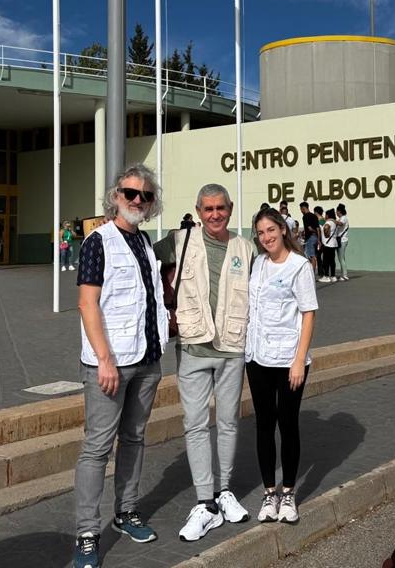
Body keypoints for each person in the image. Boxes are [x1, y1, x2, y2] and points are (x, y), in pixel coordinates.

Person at [73, 165, 168, 568]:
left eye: (144, 196)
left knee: (134, 439)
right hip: (109, 365)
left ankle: (126, 511)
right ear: (115, 196)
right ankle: (87, 534)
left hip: (147, 359)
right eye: (130, 193)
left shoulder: (145, 242)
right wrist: (105, 360)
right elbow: (87, 303)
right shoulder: (99, 242)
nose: (136, 201)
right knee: (97, 449)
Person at [154, 183, 253, 542]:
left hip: (231, 349)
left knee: (228, 423)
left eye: (220, 208)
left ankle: (225, 491)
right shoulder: (178, 241)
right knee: (195, 425)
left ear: (230, 209)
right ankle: (204, 501)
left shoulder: (245, 248)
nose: (214, 215)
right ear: (198, 211)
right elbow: (143, 262)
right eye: (208, 209)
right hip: (194, 348)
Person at [246, 207, 317, 524]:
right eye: (261, 233)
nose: (266, 237)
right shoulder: (258, 264)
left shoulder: (299, 266)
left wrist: (299, 360)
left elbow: (308, 313)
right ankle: (268, 494)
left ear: (283, 230)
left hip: (289, 360)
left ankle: (288, 493)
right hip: (257, 357)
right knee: (263, 425)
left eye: (271, 231)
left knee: (287, 425)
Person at [318, 209, 339, 284]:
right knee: (332, 261)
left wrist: (326, 234)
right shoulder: (335, 222)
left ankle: (326, 276)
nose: (325, 216)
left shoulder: (328, 222)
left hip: (327, 244)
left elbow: (326, 227)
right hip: (333, 244)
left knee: (326, 261)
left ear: (328, 215)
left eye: (326, 215)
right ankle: (333, 276)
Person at [298, 202, 318, 277]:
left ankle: (312, 274)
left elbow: (309, 228)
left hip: (310, 238)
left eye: (301, 209)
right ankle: (311, 272)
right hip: (315, 237)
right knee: (312, 255)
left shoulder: (305, 216)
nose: (301, 211)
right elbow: (317, 228)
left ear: (303, 208)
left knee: (311, 256)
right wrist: (318, 238)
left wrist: (309, 232)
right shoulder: (314, 216)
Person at [335, 204, 350, 281]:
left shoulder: (343, 218)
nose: (336, 213)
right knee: (341, 258)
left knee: (341, 258)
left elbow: (340, 224)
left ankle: (345, 275)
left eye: (336, 211)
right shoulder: (341, 218)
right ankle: (343, 274)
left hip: (343, 240)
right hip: (340, 240)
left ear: (339, 211)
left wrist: (332, 220)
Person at [313, 207, 326, 278]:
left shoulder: (319, 221)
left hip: (320, 240)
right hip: (323, 240)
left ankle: (321, 272)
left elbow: (319, 231)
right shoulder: (324, 220)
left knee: (318, 256)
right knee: (320, 256)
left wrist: (318, 240)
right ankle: (322, 271)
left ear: (316, 212)